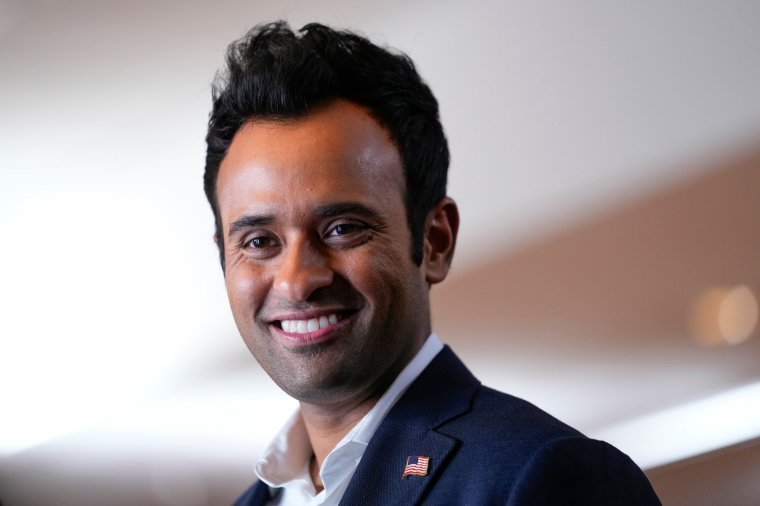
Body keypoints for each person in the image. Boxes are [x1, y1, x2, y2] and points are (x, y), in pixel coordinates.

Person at [203, 21, 661, 505]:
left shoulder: (548, 476)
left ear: (435, 241)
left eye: (341, 229)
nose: (296, 281)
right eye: (258, 241)